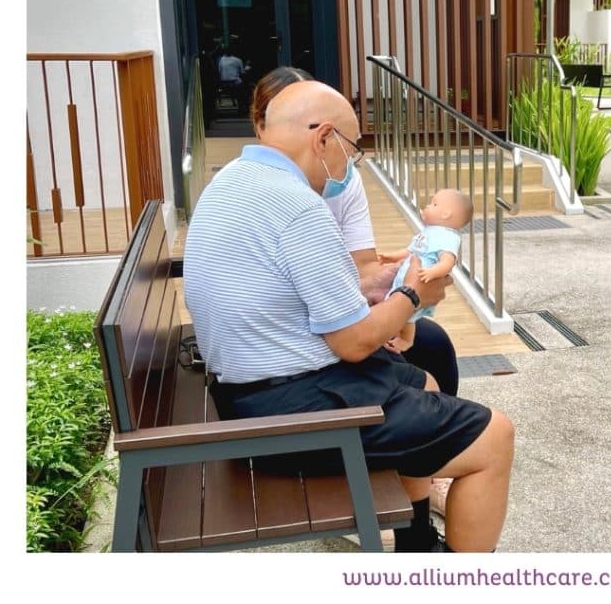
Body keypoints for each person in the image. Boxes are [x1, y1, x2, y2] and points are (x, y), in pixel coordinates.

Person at [183, 80, 514, 552]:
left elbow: (298, 294)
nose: (349, 167)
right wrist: (413, 295)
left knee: (424, 383)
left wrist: (386, 287)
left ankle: (417, 543)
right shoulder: (298, 206)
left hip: (250, 391)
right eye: (351, 150)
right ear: (323, 138)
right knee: (495, 436)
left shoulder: (231, 181)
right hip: (288, 411)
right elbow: (354, 342)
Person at [249, 67, 461, 397]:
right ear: (262, 126)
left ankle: (439, 416)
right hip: (297, 346)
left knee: (431, 344)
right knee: (416, 376)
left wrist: (391, 283)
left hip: (327, 321)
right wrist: (409, 297)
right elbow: (340, 334)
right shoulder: (283, 199)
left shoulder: (340, 180)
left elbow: (362, 267)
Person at [380, 188, 473, 354]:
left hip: (420, 280)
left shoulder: (448, 237)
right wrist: (392, 257)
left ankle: (406, 340)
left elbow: (448, 262)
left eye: (434, 204)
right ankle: (390, 334)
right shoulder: (428, 232)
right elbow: (410, 251)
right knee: (396, 308)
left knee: (409, 315)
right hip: (405, 277)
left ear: (446, 214)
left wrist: (432, 273)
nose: (428, 206)